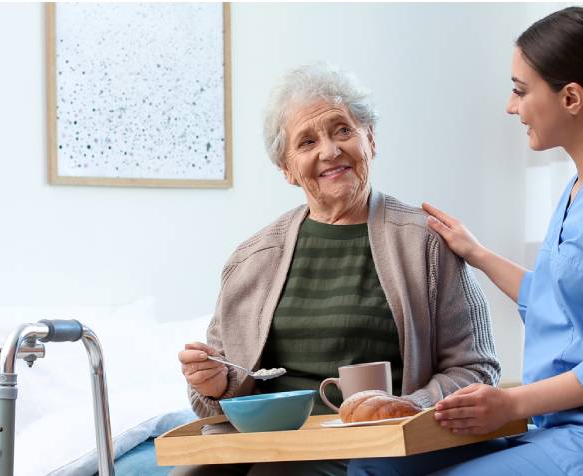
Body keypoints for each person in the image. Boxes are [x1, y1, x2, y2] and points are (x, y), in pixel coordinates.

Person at [348, 6, 583, 476]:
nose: (510, 106)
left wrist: (508, 402)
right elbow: (557, 303)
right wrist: (475, 252)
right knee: (376, 466)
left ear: (572, 97)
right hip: (561, 431)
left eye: (520, 90)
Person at [173, 63, 500, 476]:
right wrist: (215, 384)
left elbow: (477, 367)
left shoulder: (425, 241)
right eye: (307, 141)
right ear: (288, 169)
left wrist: (412, 405)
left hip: (373, 445)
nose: (329, 151)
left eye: (342, 130)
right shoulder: (251, 259)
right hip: (267, 441)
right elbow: (223, 392)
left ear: (371, 140)